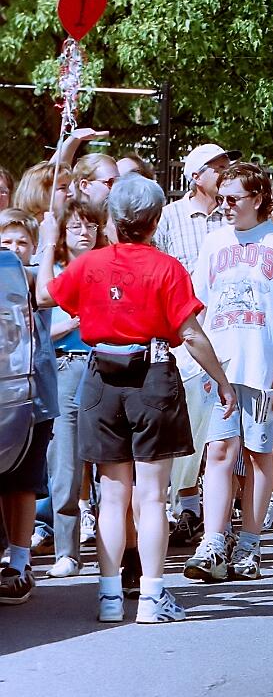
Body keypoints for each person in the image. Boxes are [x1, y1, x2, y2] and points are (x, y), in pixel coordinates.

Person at [35, 173, 235, 623]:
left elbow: (43, 294)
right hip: (153, 378)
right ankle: (150, 596)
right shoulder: (166, 267)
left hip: (101, 380)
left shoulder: (90, 265)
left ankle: (108, 597)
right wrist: (221, 381)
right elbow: (191, 334)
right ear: (155, 220)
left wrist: (48, 242)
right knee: (151, 496)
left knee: (112, 496)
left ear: (112, 220)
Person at [185, 163, 273, 582]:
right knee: (218, 453)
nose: (224, 207)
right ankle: (214, 540)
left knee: (259, 455)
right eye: (220, 199)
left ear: (257, 199)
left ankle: (250, 544)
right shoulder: (214, 241)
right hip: (219, 365)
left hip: (263, 365)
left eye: (233, 199)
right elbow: (198, 304)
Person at [153, 142, 240, 547]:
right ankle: (185, 504)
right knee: (188, 422)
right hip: (186, 336)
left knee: (221, 426)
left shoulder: (234, 217)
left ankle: (213, 513)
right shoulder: (170, 217)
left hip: (230, 332)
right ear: (195, 175)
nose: (224, 171)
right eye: (216, 166)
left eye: (227, 165)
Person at [43, 199, 106, 579]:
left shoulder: (106, 267)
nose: (85, 233)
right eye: (76, 227)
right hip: (66, 366)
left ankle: (114, 549)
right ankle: (67, 551)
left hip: (106, 365)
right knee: (65, 465)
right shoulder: (54, 272)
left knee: (111, 466)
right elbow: (40, 323)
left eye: (91, 226)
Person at [0, 209, 58, 606]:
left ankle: (20, 564)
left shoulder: (37, 277)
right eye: (6, 243)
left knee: (22, 483)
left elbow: (45, 294)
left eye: (22, 242)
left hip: (33, 397)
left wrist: (52, 242)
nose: (14, 250)